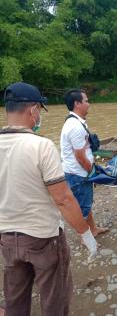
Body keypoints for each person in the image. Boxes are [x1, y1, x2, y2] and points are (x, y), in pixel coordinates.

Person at [0, 82, 97, 316]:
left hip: (6, 238)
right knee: (55, 296)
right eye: (40, 111)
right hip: (43, 237)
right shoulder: (41, 146)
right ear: (33, 110)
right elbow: (63, 198)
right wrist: (85, 233)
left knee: (15, 298)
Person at [60, 89, 108, 241]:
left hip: (78, 172)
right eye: (86, 100)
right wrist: (92, 172)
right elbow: (80, 156)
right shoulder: (75, 127)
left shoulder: (76, 122)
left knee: (86, 203)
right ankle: (86, 239)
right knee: (83, 208)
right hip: (78, 174)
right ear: (77, 104)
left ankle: (93, 229)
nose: (89, 103)